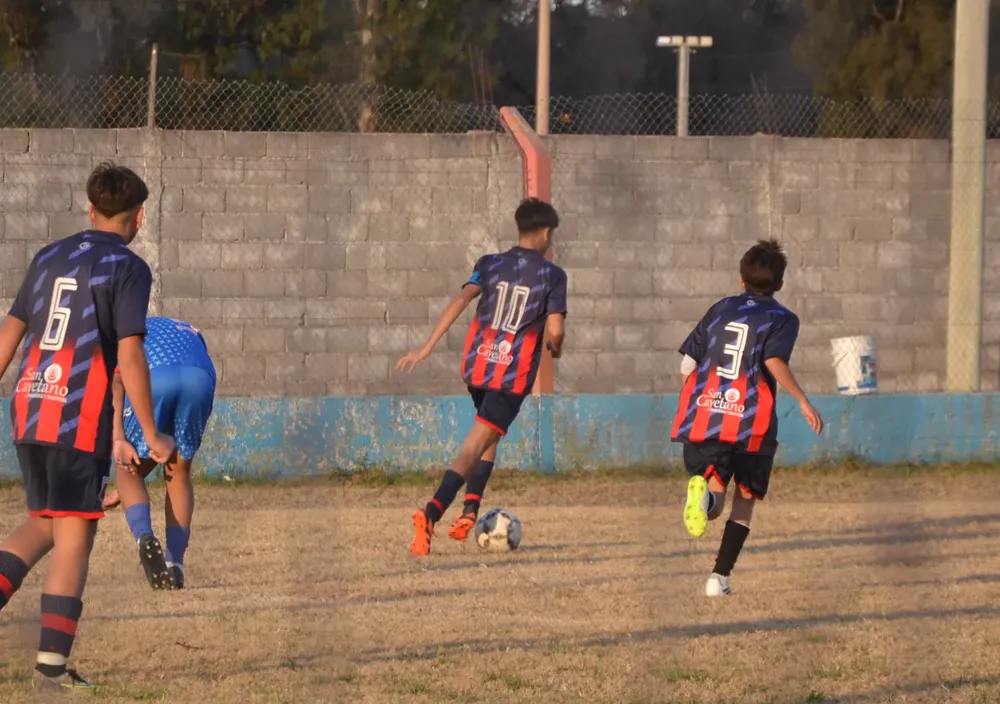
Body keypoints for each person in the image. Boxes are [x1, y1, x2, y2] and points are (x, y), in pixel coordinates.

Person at [0, 162, 175, 691]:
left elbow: (10, 332)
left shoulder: (48, 255)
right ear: (139, 217)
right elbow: (131, 354)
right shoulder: (128, 267)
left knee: (46, 523)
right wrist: (152, 432)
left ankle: (51, 669)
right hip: (76, 416)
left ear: (90, 209)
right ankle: (50, 675)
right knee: (76, 535)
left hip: (30, 407)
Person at [397, 198, 567, 557]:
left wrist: (426, 347)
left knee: (488, 435)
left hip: (478, 367)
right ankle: (431, 512)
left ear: (518, 228)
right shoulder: (553, 275)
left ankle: (470, 510)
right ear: (546, 233)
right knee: (474, 445)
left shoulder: (489, 263)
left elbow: (460, 301)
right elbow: (555, 330)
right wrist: (555, 347)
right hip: (510, 376)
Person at [671, 238, 823, 597]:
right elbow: (773, 360)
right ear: (780, 284)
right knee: (745, 497)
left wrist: (698, 399)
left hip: (708, 413)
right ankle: (718, 579)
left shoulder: (721, 308)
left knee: (715, 496)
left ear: (741, 279)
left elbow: (687, 363)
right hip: (751, 420)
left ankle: (704, 501)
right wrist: (803, 401)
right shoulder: (783, 318)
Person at [101, 316, 217, 590]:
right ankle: (175, 564)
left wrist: (118, 440)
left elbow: (116, 383)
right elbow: (162, 448)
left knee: (126, 464)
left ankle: (145, 537)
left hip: (155, 374)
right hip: (201, 378)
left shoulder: (120, 331)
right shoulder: (184, 327)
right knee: (178, 471)